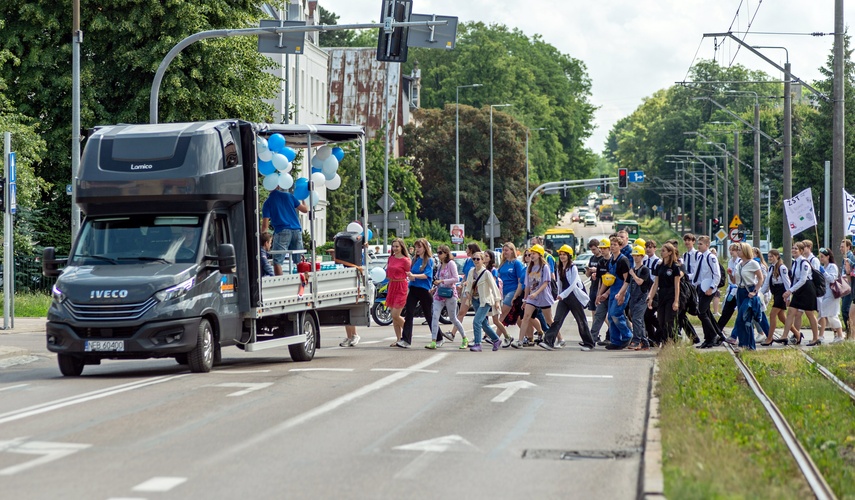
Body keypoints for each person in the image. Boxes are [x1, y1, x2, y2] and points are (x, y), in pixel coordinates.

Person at [541, 245, 594, 351]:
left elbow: (574, 284)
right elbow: (559, 282)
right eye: (560, 254)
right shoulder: (560, 267)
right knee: (557, 320)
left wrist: (563, 294)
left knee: (581, 320)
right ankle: (549, 341)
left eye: (564, 254)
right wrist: (559, 294)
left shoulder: (573, 267)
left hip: (574, 297)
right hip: (564, 298)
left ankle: (589, 343)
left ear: (569, 256)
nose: (562, 256)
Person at [776, 241, 819, 346]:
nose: (793, 250)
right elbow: (794, 280)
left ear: (801, 251)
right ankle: (784, 336)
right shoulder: (795, 262)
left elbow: (803, 280)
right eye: (793, 248)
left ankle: (815, 338)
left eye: (796, 249)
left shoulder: (804, 263)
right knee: (791, 311)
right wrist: (789, 293)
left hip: (807, 289)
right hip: (799, 290)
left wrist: (790, 291)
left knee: (810, 314)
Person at [426, 245, 467, 349]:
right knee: (435, 316)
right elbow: (439, 280)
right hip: (439, 294)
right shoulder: (440, 266)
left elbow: (456, 278)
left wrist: (442, 281)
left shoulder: (451, 264)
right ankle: (434, 341)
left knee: (453, 318)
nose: (438, 255)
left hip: (450, 294)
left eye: (440, 253)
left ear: (446, 253)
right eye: (438, 253)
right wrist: (435, 287)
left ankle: (464, 338)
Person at [261, 187, 309, 275]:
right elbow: (305, 209)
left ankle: (279, 285)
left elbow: (265, 226)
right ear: (278, 186)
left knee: (278, 261)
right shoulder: (289, 196)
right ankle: (302, 283)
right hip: (296, 230)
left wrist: (263, 239)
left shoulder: (268, 202)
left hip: (282, 230)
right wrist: (303, 198)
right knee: (299, 260)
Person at [514, 244, 554, 348]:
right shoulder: (529, 268)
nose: (531, 256)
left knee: (549, 320)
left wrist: (536, 293)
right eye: (531, 254)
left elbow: (546, 283)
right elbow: (527, 285)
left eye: (534, 253)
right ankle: (520, 341)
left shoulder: (545, 267)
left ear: (540, 255)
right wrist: (525, 299)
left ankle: (559, 338)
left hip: (543, 296)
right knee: (526, 316)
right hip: (532, 297)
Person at [398, 238, 435, 348]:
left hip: (424, 290)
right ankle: (406, 340)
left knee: (429, 315)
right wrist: (410, 276)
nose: (417, 249)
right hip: (414, 288)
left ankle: (438, 337)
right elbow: (411, 273)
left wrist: (415, 276)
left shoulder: (429, 260)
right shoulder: (414, 259)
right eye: (416, 247)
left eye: (420, 247)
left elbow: (427, 275)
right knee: (409, 313)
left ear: (425, 248)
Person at [463, 252, 503, 351]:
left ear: (482, 260)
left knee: (476, 321)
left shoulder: (486, 273)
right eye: (474, 259)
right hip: (475, 300)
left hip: (485, 301)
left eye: (478, 259)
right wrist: (467, 293)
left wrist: (497, 301)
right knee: (484, 323)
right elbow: (468, 285)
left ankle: (478, 343)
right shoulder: (472, 271)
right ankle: (496, 340)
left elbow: (494, 287)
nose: (476, 261)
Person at [731, 243, 766, 350]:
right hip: (740, 291)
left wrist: (755, 291)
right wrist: (730, 275)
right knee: (745, 320)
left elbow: (760, 278)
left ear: (746, 251)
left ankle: (745, 344)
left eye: (740, 249)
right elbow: (736, 281)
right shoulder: (739, 264)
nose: (738, 251)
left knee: (743, 317)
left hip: (749, 292)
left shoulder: (753, 263)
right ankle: (748, 345)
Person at [759, 249, 797, 346]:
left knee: (772, 315)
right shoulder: (771, 268)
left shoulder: (782, 267)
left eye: (772, 256)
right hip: (776, 292)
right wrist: (760, 294)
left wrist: (788, 297)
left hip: (782, 293)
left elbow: (787, 282)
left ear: (777, 256)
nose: (770, 258)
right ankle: (797, 334)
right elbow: (766, 283)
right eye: (769, 256)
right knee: (782, 317)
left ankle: (769, 338)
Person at [601, 235, 632, 349]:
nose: (613, 247)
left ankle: (627, 335)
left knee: (615, 314)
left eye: (615, 245)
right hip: (613, 291)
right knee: (610, 317)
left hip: (622, 291)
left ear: (620, 246)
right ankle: (616, 341)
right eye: (611, 245)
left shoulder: (623, 260)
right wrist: (605, 293)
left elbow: (626, 280)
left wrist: (622, 294)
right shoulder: (611, 261)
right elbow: (611, 279)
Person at [446, 242, 481, 342]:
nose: (466, 250)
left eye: (467, 248)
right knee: (462, 312)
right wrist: (461, 284)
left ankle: (484, 335)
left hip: (475, 289)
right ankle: (452, 333)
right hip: (467, 289)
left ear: (471, 249)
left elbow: (476, 274)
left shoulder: (476, 260)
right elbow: (466, 275)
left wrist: (466, 283)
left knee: (479, 313)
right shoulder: (467, 260)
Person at [648, 242, 681, 343]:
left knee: (669, 320)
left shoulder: (675, 267)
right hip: (662, 294)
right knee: (661, 320)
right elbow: (655, 283)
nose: (661, 253)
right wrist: (651, 297)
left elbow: (677, 285)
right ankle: (664, 340)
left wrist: (676, 301)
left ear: (670, 252)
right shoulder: (659, 266)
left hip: (671, 294)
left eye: (663, 251)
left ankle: (670, 342)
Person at [694, 236, 722, 349]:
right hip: (701, 288)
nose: (698, 246)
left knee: (701, 312)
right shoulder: (700, 257)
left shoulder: (711, 257)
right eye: (698, 244)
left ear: (707, 245)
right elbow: (698, 274)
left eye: (700, 244)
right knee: (706, 313)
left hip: (708, 289)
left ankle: (713, 335)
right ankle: (709, 338)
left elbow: (717, 274)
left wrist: (712, 287)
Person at [497, 242, 526, 347]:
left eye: (506, 250)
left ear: (512, 251)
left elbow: (520, 280)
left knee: (502, 314)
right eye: (503, 250)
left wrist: (516, 294)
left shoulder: (516, 263)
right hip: (503, 292)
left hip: (512, 290)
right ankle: (527, 335)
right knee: (517, 317)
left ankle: (496, 338)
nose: (504, 252)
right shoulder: (503, 264)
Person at [386, 238, 411, 346]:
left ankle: (408, 334)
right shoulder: (391, 258)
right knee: (393, 316)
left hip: (401, 285)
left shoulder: (406, 260)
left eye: (397, 246)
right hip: (392, 285)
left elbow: (410, 273)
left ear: (401, 247)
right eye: (393, 246)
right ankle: (398, 339)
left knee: (396, 314)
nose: (395, 248)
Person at [627, 245, 652, 350]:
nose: (635, 258)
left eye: (638, 255)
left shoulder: (645, 269)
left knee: (637, 319)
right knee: (637, 319)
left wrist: (633, 274)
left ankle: (637, 340)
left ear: (642, 256)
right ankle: (644, 342)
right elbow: (627, 284)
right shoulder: (633, 269)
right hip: (633, 297)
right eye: (634, 255)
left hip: (642, 297)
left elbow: (640, 282)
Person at [817, 247, 843, 344]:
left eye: (823, 257)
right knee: (830, 315)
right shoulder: (824, 267)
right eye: (820, 257)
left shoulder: (832, 266)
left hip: (832, 294)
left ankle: (838, 335)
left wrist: (823, 272)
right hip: (825, 293)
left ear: (828, 257)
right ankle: (838, 335)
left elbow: (832, 279)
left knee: (828, 314)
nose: (821, 259)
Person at [591, 238, 612, 345]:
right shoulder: (600, 262)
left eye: (604, 248)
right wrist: (598, 294)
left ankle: (626, 335)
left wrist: (606, 293)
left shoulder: (613, 261)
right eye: (601, 248)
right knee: (599, 315)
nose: (602, 250)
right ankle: (592, 338)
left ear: (609, 249)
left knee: (614, 316)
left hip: (612, 293)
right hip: (602, 293)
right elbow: (600, 279)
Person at [643, 239, 661, 344]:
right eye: (647, 247)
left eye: (651, 247)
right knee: (646, 316)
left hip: (655, 291)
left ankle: (661, 331)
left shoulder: (657, 262)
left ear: (655, 248)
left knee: (649, 314)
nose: (648, 249)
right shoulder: (644, 261)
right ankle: (652, 337)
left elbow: (656, 279)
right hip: (646, 291)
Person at [839, 238, 855, 336]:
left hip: (849, 288)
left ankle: (849, 333)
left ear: (848, 247)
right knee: (847, 311)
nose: (841, 249)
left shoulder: (850, 257)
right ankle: (850, 334)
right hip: (848, 287)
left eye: (843, 247)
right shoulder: (845, 257)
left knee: (846, 310)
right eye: (840, 247)